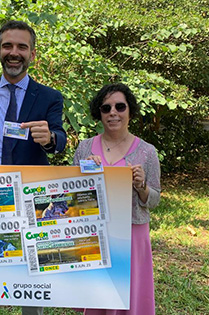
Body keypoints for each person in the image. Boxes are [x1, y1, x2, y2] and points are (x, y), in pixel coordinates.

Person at [0, 20, 67, 315]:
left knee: (32, 278)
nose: (14, 52)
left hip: (31, 198)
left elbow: (60, 139)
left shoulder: (49, 96)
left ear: (33, 54)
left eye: (22, 46)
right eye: (8, 45)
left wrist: (51, 138)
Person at [73, 83, 160, 315]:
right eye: (106, 108)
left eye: (120, 107)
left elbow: (154, 200)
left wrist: (141, 186)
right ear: (98, 113)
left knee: (130, 298)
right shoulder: (84, 149)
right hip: (96, 233)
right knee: (98, 298)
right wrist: (85, 177)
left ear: (130, 111)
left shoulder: (147, 152)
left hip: (132, 235)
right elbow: (71, 197)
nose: (113, 112)